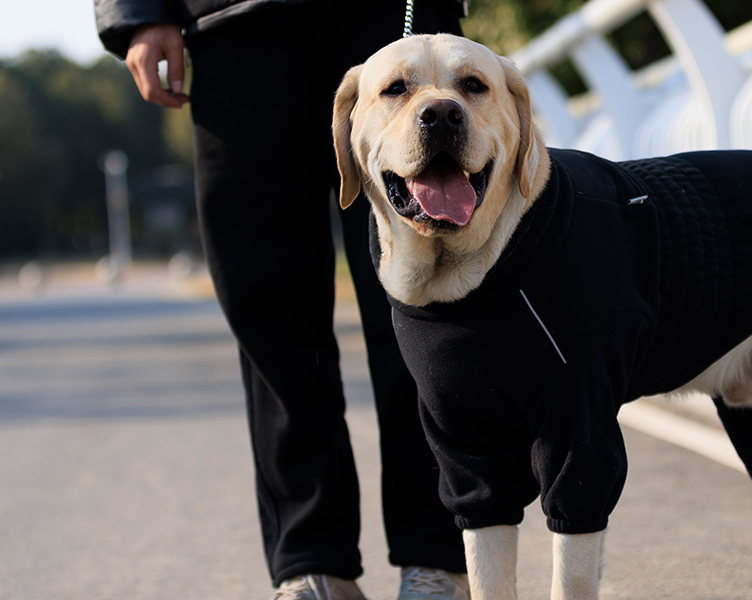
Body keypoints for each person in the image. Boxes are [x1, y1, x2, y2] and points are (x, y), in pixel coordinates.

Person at [94, 1, 470, 598]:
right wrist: (139, 11)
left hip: (390, 11)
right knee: (268, 300)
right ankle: (313, 562)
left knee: (424, 289)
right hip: (233, 21)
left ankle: (440, 555)